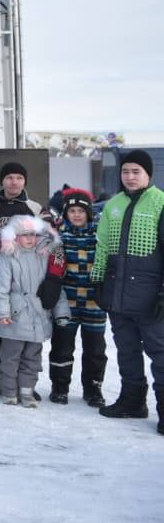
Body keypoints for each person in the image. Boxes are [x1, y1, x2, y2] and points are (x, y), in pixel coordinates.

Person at [91, 150, 164, 433]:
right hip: (118, 295)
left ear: (148, 174)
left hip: (151, 298)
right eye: (126, 172)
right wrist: (98, 280)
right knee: (127, 352)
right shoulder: (113, 205)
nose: (130, 177)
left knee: (160, 355)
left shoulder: (160, 203)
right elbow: (102, 246)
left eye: (136, 171)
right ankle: (132, 402)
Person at [0, 161, 52, 398]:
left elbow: (49, 246)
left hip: (25, 287)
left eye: (19, 177)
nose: (14, 182)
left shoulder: (35, 208)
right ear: (2, 181)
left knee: (25, 339)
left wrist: (51, 280)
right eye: (9, 178)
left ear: (25, 181)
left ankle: (24, 385)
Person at [0, 215, 69, 407]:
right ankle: (9, 391)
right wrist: (2, 313)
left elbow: (55, 287)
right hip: (16, 315)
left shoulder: (43, 255)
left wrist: (61, 312)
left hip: (38, 316)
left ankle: (27, 391)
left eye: (33, 234)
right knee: (10, 357)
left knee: (32, 359)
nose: (29, 239)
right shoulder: (7, 257)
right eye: (24, 235)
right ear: (14, 237)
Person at [50, 188, 106, 407]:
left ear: (89, 213)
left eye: (80, 211)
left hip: (94, 302)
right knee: (62, 347)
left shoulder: (100, 237)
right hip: (67, 302)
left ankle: (93, 389)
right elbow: (55, 268)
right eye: (71, 210)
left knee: (95, 350)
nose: (76, 215)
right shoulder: (59, 237)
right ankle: (60, 387)